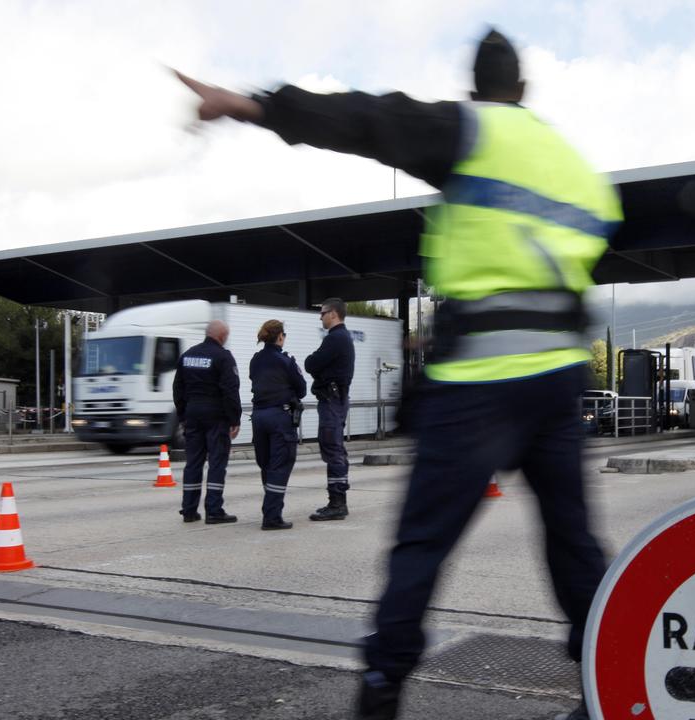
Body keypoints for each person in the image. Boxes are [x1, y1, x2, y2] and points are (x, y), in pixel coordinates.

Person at [173, 28, 622, 720]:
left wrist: (255, 105)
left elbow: (367, 120)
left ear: (475, 90)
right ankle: (609, 685)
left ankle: (381, 691)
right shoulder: (578, 170)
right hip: (558, 382)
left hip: (479, 378)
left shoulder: (472, 129)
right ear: (525, 90)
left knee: (421, 544)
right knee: (575, 547)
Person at [171, 319, 240, 524]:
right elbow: (230, 390)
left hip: (193, 414)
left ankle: (189, 510)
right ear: (221, 336)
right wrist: (234, 418)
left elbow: (178, 389)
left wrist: (183, 414)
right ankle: (214, 510)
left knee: (193, 462)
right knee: (217, 462)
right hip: (216, 416)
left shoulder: (188, 355)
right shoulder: (223, 357)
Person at [248, 319, 307, 530]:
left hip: (258, 417)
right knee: (280, 467)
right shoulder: (286, 361)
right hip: (279, 418)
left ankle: (271, 510)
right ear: (280, 336)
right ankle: (272, 517)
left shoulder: (255, 360)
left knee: (267, 465)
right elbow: (301, 389)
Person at [304, 297, 356, 521]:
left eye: (323, 313)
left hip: (331, 400)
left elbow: (311, 364)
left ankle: (337, 503)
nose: (321, 316)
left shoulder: (335, 339)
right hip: (337, 398)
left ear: (333, 314)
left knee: (332, 448)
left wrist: (315, 368)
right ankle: (338, 497)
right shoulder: (342, 338)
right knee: (335, 448)